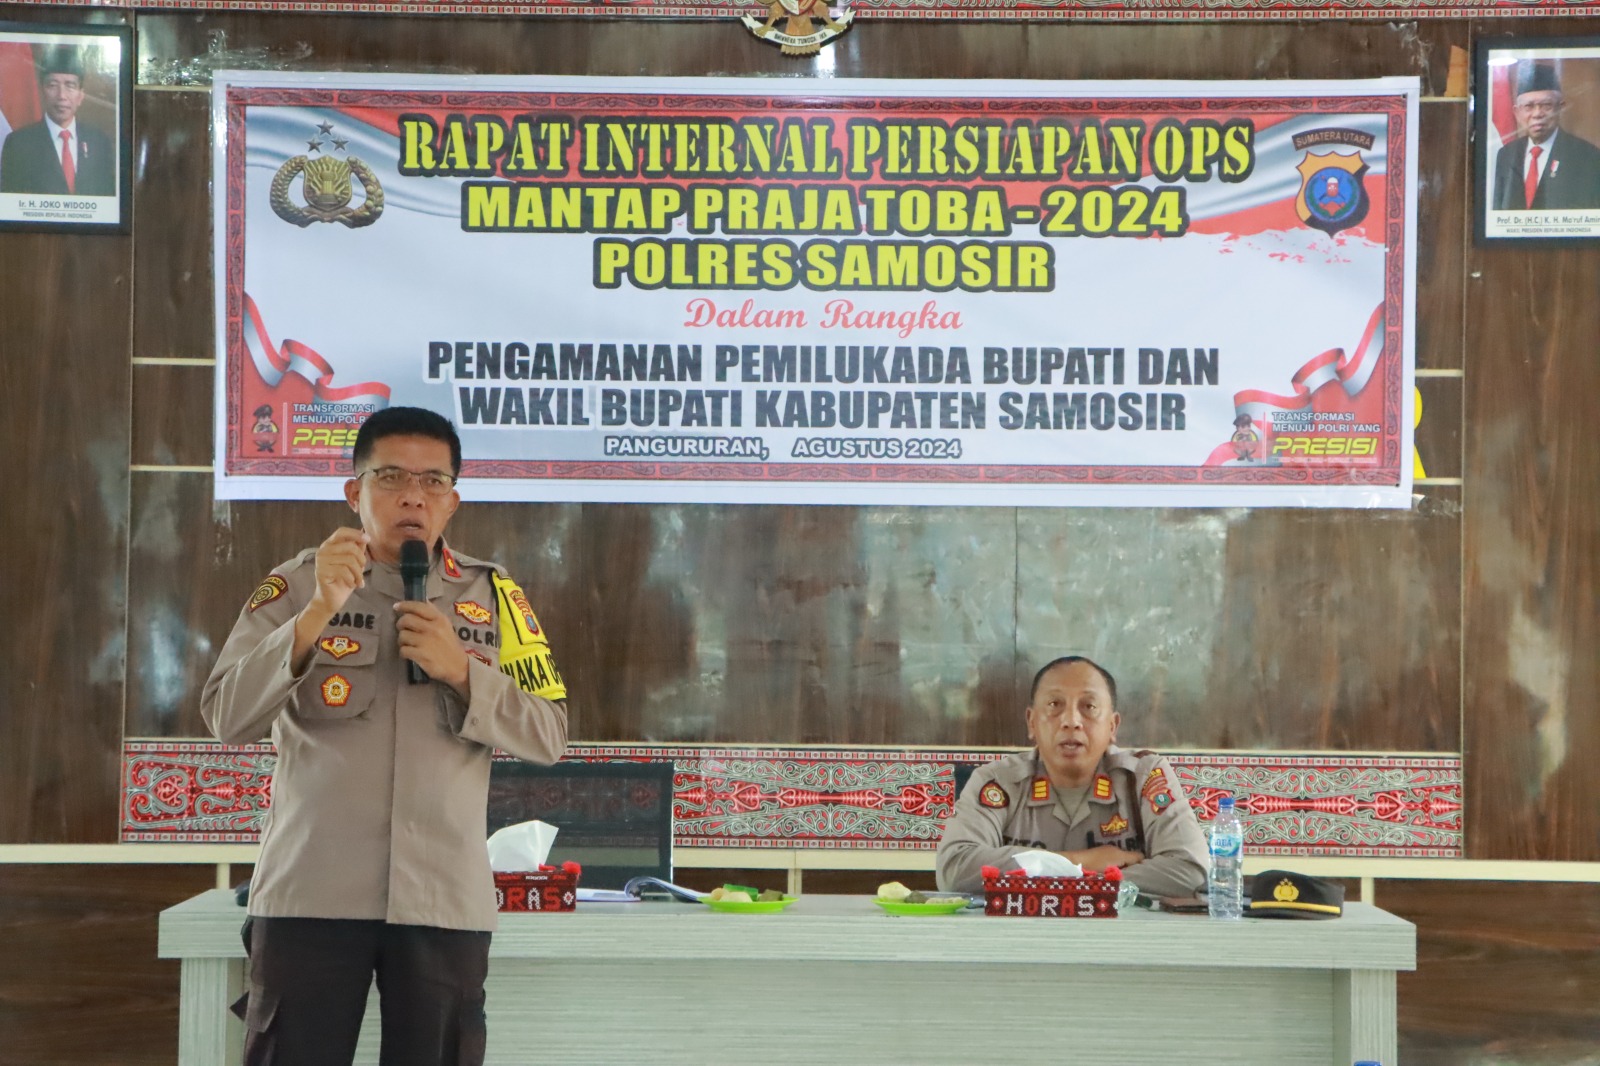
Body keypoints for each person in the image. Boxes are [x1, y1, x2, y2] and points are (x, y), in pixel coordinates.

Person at [202, 406, 569, 1066]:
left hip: (442, 899)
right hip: (311, 893)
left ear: (452, 500)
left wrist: (463, 672)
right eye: (392, 477)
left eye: (432, 482)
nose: (412, 497)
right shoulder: (297, 585)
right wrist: (317, 613)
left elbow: (549, 735)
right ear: (354, 491)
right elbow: (227, 716)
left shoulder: (496, 597)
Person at [936, 655, 1208, 899]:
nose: (1071, 721)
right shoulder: (998, 781)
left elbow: (1191, 871)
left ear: (1112, 726)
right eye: (1054, 705)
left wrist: (1063, 879)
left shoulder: (1144, 776)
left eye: (1089, 706)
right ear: (1032, 722)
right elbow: (954, 869)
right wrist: (1081, 862)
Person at [0, 47, 115, 196]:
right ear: (42, 91)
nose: (61, 96)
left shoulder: (99, 142)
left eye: (70, 86)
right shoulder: (18, 143)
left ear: (81, 96)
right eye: (53, 85)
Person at [1491, 62, 1600, 212]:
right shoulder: (1506, 154)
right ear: (1517, 112)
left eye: (1546, 105)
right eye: (1529, 106)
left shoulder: (1587, 156)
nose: (1537, 114)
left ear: (1560, 108)